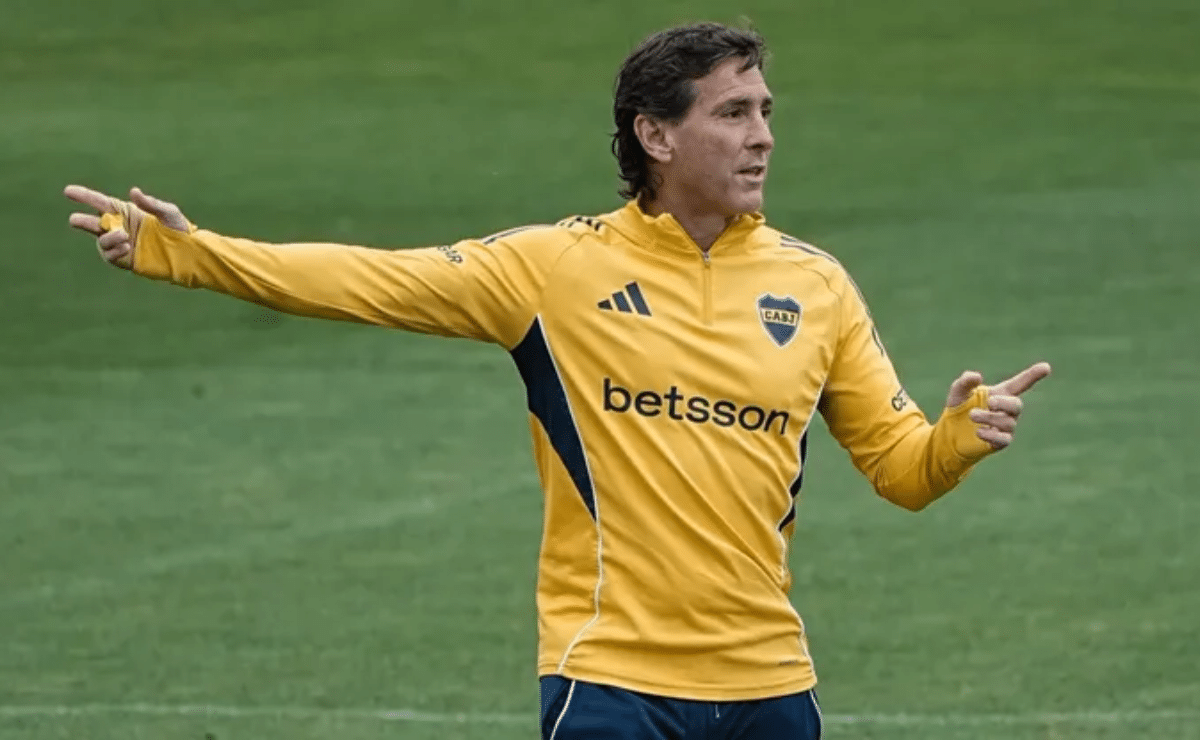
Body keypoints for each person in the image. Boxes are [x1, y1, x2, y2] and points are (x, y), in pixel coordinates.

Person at [64, 21, 1050, 740]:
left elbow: (901, 469)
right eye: (733, 113)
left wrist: (957, 439)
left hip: (771, 684)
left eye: (765, 113)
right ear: (656, 136)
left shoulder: (815, 285)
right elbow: (369, 278)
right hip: (610, 678)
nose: (763, 137)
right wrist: (190, 253)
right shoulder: (555, 269)